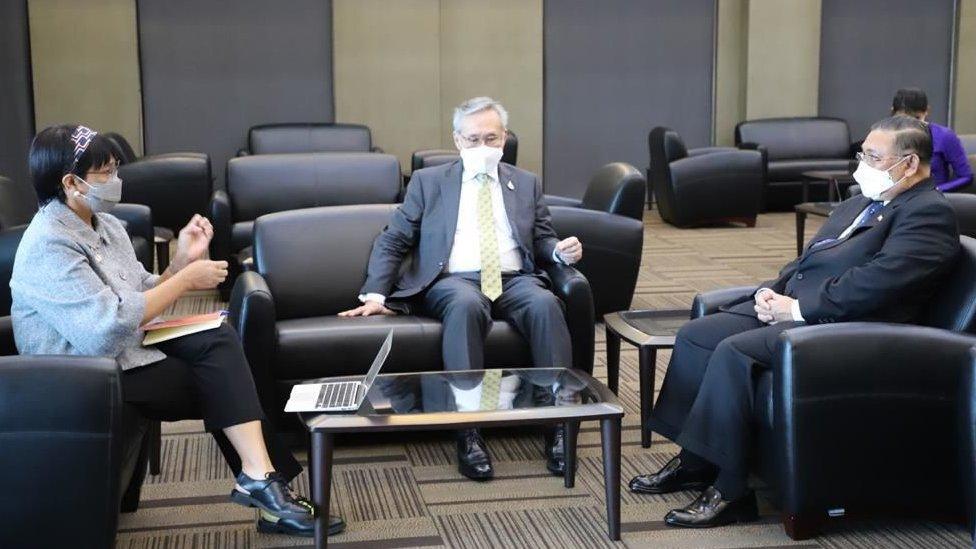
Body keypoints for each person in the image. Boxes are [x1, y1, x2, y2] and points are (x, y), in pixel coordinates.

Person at [10, 125, 345, 538]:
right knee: (222, 379)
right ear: (71, 183)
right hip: (77, 373)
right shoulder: (47, 244)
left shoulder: (106, 226)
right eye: (105, 171)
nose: (116, 179)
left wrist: (179, 263)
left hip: (122, 351)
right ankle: (268, 490)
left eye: (116, 167)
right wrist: (185, 282)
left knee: (221, 341)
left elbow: (138, 293)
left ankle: (263, 480)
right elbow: (102, 330)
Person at [628, 115, 959, 528]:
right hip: (799, 304)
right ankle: (695, 460)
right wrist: (771, 291)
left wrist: (795, 310)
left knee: (733, 352)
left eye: (873, 157)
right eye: (862, 154)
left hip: (848, 330)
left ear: (909, 164)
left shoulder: (927, 215)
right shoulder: (863, 201)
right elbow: (811, 257)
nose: (862, 165)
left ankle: (731, 491)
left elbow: (872, 287)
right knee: (697, 335)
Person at [339, 97, 583, 481]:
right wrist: (375, 294)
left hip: (515, 279)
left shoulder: (526, 183)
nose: (482, 147)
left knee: (546, 305)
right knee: (466, 305)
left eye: (491, 138)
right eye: (473, 139)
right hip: (454, 280)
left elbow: (541, 238)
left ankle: (558, 425)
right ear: (457, 141)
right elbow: (394, 239)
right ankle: (469, 429)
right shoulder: (429, 182)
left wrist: (558, 251)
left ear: (504, 139)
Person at [891, 87, 973, 192]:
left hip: (932, 196)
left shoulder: (944, 136)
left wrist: (937, 190)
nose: (910, 125)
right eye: (903, 119)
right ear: (893, 113)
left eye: (916, 118)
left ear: (927, 112)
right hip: (895, 196)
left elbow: (965, 176)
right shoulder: (883, 137)